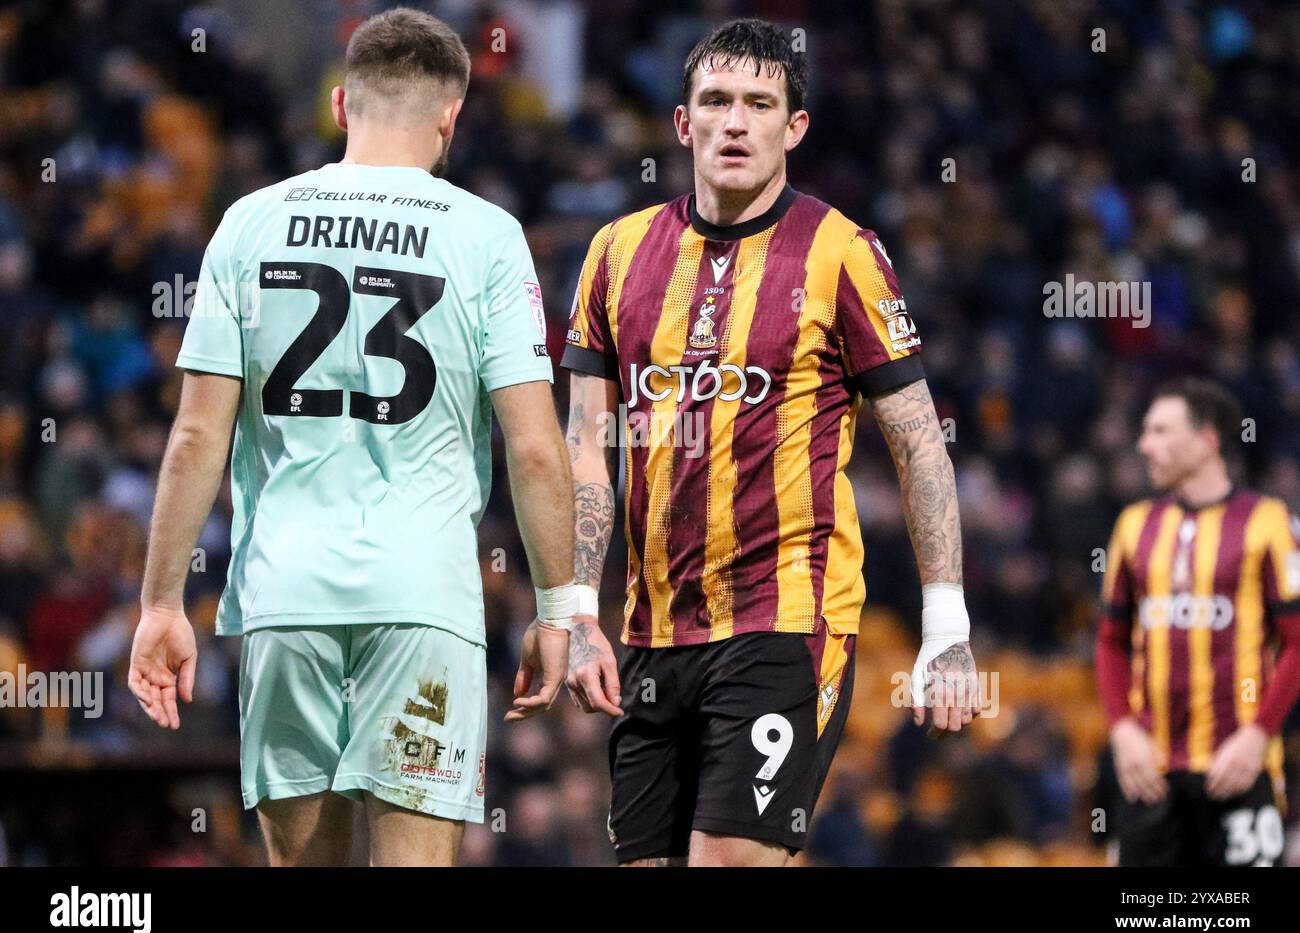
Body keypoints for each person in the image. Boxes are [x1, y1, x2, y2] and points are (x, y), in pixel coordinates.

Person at [127, 7, 574, 867]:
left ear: (340, 105)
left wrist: (159, 604)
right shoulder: (487, 236)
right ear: (451, 117)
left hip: (284, 597)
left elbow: (194, 439)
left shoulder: (249, 225)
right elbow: (533, 448)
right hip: (423, 600)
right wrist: (558, 611)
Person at [558, 17, 981, 867]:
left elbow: (918, 443)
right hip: (653, 631)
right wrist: (574, 610)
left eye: (760, 103)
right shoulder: (614, 253)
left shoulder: (842, 253)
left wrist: (947, 624)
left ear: (795, 128)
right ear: (683, 123)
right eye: (715, 101)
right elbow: (584, 447)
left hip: (787, 618)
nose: (735, 122)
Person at [1097, 378, 1300, 866]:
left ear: (1207, 440)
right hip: (1151, 775)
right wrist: (1122, 729)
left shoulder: (1268, 522)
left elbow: (1297, 642)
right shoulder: (1133, 525)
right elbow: (1110, 641)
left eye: (1161, 431)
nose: (1145, 445)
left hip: (1239, 770)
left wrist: (1257, 737)